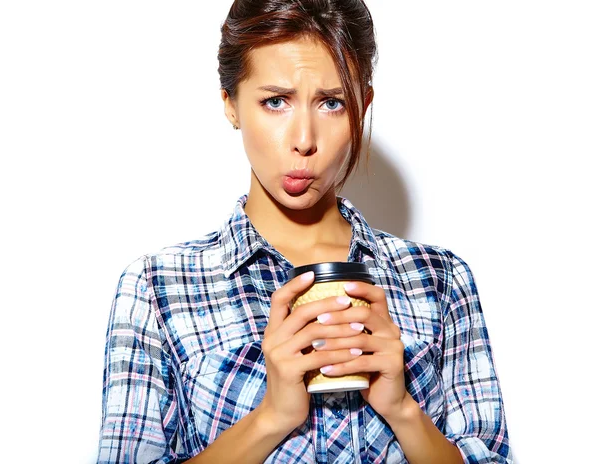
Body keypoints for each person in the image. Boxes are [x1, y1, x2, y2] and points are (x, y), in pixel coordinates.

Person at [97, 0, 511, 462]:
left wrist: (403, 410)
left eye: (332, 103)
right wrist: (271, 416)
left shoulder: (439, 278)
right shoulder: (158, 288)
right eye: (276, 101)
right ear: (230, 104)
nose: (304, 139)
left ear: (362, 107)